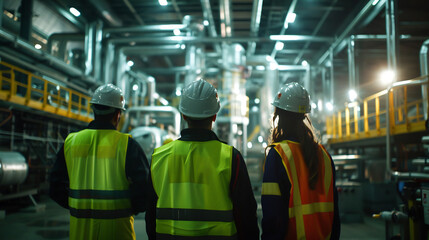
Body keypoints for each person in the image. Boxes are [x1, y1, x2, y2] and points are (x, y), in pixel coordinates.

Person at [145, 79, 259, 240]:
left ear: (183, 115)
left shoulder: (159, 157)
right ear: (214, 116)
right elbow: (246, 213)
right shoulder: (231, 158)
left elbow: (150, 215)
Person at [49, 84, 150, 240]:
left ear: (94, 110)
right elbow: (144, 190)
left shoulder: (71, 142)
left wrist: (76, 206)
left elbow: (55, 187)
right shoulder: (128, 146)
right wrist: (131, 207)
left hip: (80, 233)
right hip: (117, 232)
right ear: (118, 114)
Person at [261, 82, 340, 240]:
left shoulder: (279, 155)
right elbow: (335, 212)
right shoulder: (324, 155)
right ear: (305, 115)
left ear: (278, 115)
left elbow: (273, 214)